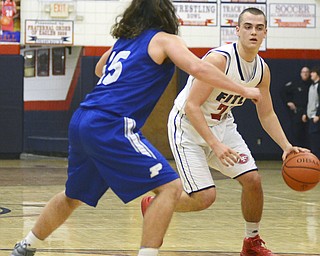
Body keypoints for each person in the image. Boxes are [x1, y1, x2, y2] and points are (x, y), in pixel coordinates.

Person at [10, 1, 261, 256]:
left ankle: (25, 246)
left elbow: (100, 69)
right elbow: (197, 68)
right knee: (171, 189)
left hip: (83, 118)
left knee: (72, 195)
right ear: (167, 13)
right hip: (112, 123)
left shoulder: (123, 42)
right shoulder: (165, 40)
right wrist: (242, 89)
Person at [141, 7, 309, 256]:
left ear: (265, 33)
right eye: (248, 26)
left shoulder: (262, 70)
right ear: (237, 30)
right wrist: (215, 146)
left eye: (259, 28)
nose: (253, 32)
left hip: (222, 125)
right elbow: (192, 106)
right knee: (205, 198)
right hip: (187, 127)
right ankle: (155, 205)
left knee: (253, 180)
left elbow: (267, 114)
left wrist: (286, 146)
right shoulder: (220, 60)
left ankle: (251, 243)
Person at [280, 66, 311, 148]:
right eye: (303, 72)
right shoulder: (295, 84)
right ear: (301, 74)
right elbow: (283, 91)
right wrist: (288, 102)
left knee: (309, 135)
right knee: (296, 133)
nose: (305, 74)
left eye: (307, 72)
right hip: (298, 112)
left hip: (309, 112)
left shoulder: (312, 85)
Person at [302, 66, 320, 159]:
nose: (311, 74)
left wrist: (318, 115)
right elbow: (310, 101)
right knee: (312, 140)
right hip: (310, 116)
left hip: (316, 117)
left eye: (313, 73)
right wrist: (305, 113)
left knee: (316, 140)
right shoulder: (311, 85)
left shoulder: (318, 86)